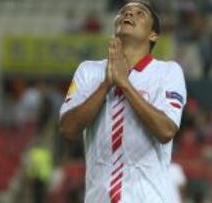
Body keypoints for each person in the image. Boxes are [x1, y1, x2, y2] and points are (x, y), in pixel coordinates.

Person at [59, 0, 187, 202]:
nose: (129, 14)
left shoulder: (168, 72)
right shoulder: (88, 70)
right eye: (124, 12)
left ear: (153, 35)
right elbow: (68, 128)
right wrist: (106, 85)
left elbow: (166, 131)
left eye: (140, 13)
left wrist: (125, 84)